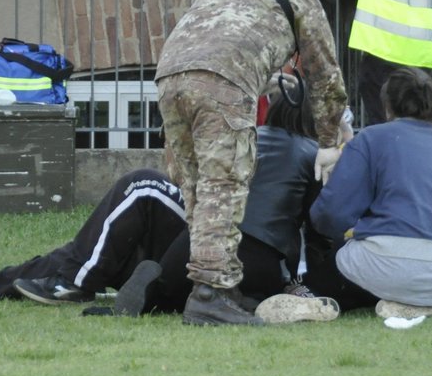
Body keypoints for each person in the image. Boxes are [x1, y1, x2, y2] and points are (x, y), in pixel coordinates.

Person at [154, 0, 348, 326]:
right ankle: (211, 295)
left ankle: (214, 290)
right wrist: (329, 140)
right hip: (223, 83)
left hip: (168, 78)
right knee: (222, 188)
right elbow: (325, 76)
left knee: (197, 191)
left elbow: (216, 39)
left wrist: (263, 79)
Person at [120, 88, 343, 324]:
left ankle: (156, 290)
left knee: (174, 289)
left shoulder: (244, 140)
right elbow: (320, 225)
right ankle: (244, 299)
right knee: (260, 292)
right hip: (259, 255)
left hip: (201, 239)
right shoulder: (314, 156)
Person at [308, 67, 432, 319]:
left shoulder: (371, 138)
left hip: (385, 266)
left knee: (324, 269)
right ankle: (416, 303)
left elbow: (330, 215)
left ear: (387, 106)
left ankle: (330, 299)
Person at [0, 169, 185, 303]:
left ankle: (73, 281)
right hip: (200, 250)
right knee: (88, 256)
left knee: (143, 185)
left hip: (211, 249)